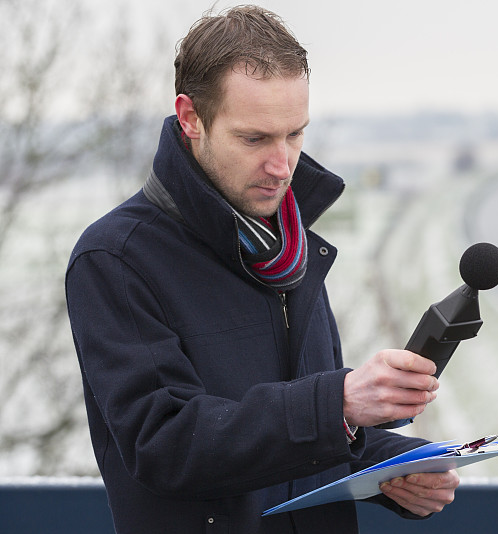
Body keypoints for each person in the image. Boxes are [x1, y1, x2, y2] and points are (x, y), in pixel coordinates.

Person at [65, 5, 458, 533]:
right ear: (190, 118)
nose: (283, 165)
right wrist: (337, 401)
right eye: (255, 139)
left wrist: (396, 467)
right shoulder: (115, 258)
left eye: (295, 134)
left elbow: (293, 444)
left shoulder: (290, 246)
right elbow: (165, 444)